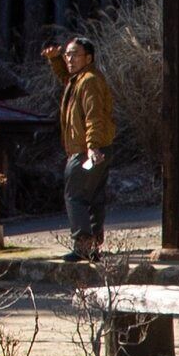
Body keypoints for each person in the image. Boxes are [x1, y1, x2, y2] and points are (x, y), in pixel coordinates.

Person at [55, 37, 115, 261]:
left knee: (75, 196)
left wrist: (92, 146)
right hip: (96, 147)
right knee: (94, 198)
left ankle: (83, 245)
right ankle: (92, 247)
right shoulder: (79, 79)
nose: (69, 59)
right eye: (67, 54)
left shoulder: (89, 81)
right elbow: (65, 77)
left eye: (74, 55)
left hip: (87, 150)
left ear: (88, 58)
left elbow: (94, 117)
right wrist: (55, 60)